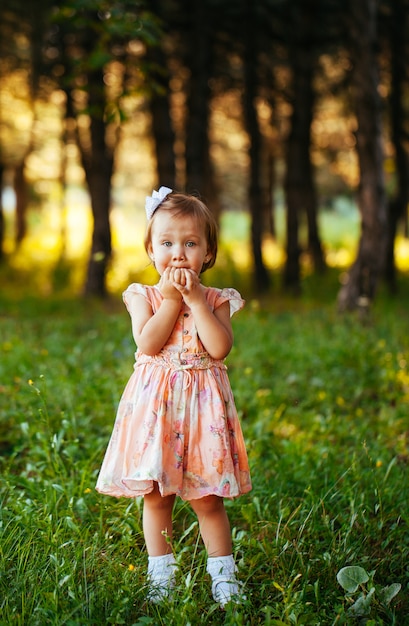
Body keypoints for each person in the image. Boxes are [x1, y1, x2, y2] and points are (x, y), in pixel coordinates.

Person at [96, 186, 252, 608]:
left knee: (208, 499)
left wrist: (196, 300)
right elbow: (148, 344)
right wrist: (169, 300)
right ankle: (161, 575)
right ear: (150, 250)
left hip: (204, 414)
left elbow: (218, 348)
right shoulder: (142, 296)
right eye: (166, 243)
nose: (178, 254)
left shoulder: (217, 299)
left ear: (208, 253)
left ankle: (224, 577)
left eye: (190, 243)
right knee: (156, 496)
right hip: (157, 414)